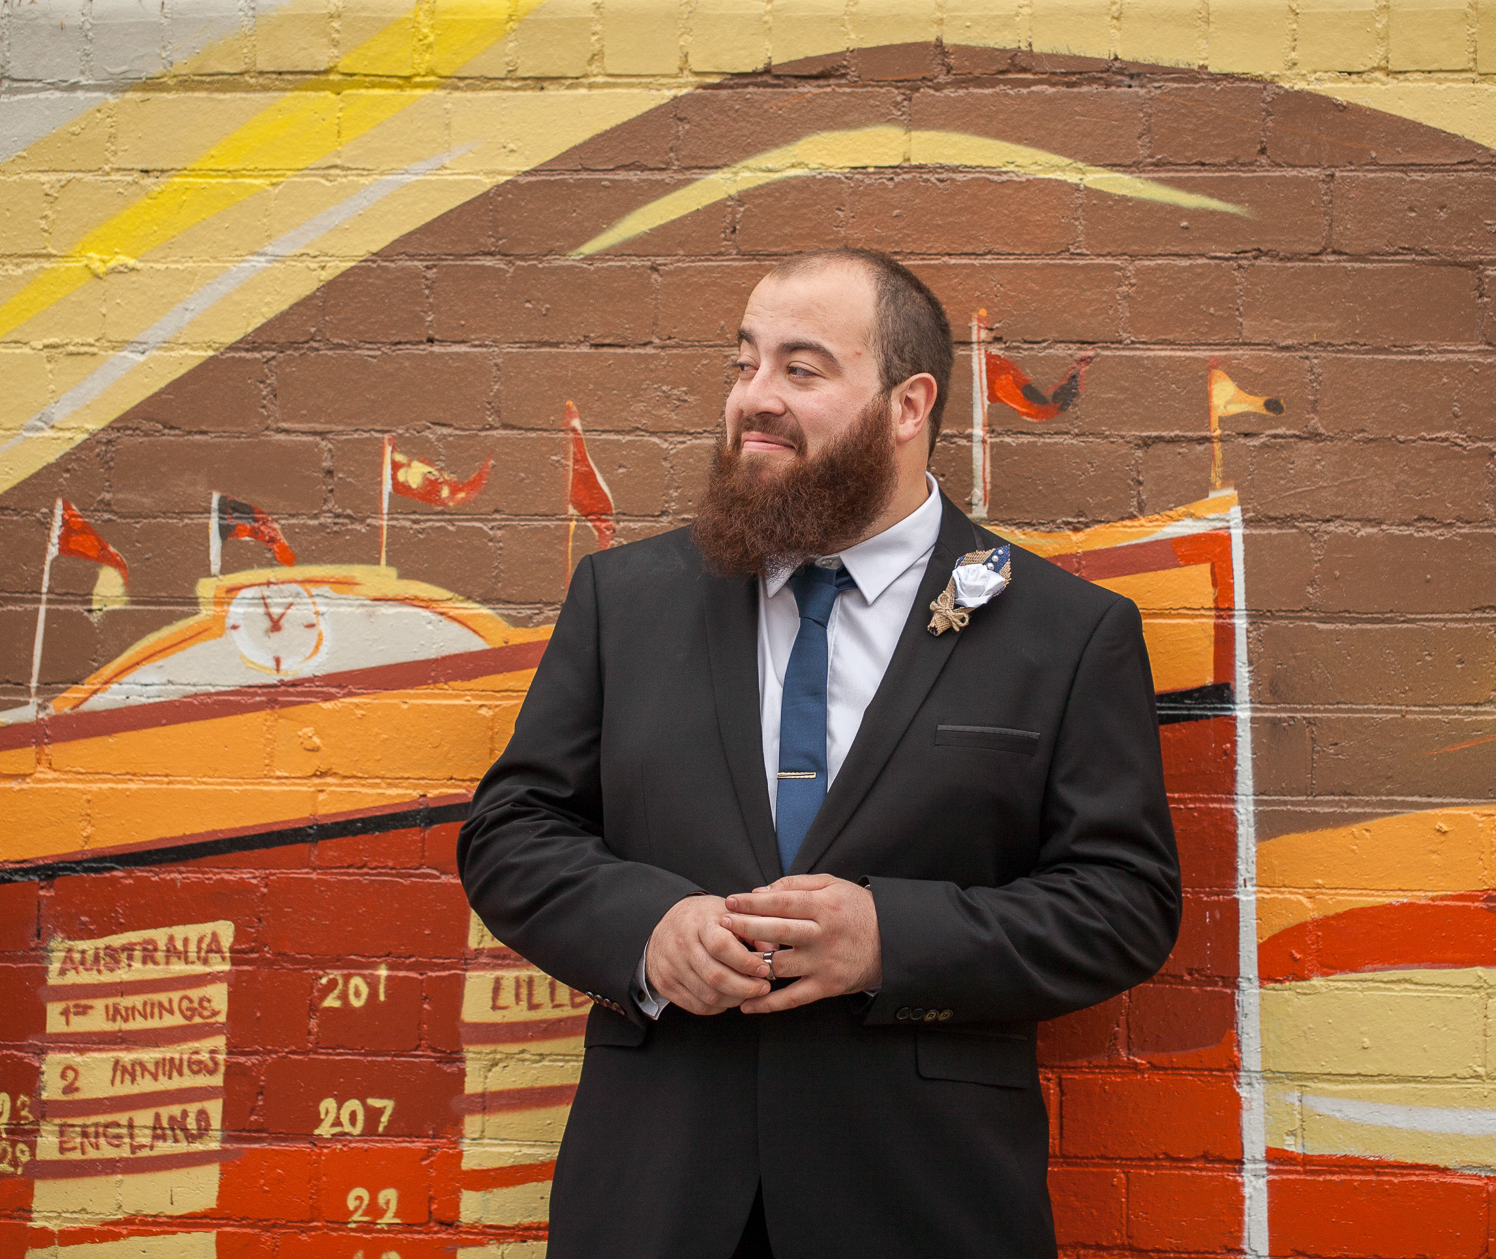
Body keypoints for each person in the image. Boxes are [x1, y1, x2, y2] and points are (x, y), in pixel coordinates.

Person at [456, 248, 1181, 1259]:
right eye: (743, 363)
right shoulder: (624, 602)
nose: (754, 399)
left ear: (906, 404)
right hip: (656, 1197)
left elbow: (1122, 904)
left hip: (922, 1199)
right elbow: (510, 833)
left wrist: (891, 937)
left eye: (801, 370)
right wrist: (649, 932)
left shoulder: (1064, 632)